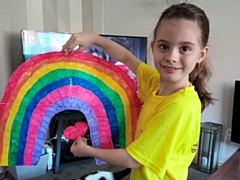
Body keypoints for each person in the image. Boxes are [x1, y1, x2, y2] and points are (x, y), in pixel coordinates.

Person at [62, 3, 214, 180]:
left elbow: (133, 159)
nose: (172, 57)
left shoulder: (180, 105)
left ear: (201, 54)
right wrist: (96, 38)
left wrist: (86, 151)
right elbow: (126, 57)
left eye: (185, 48)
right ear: (153, 47)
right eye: (164, 46)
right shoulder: (156, 82)